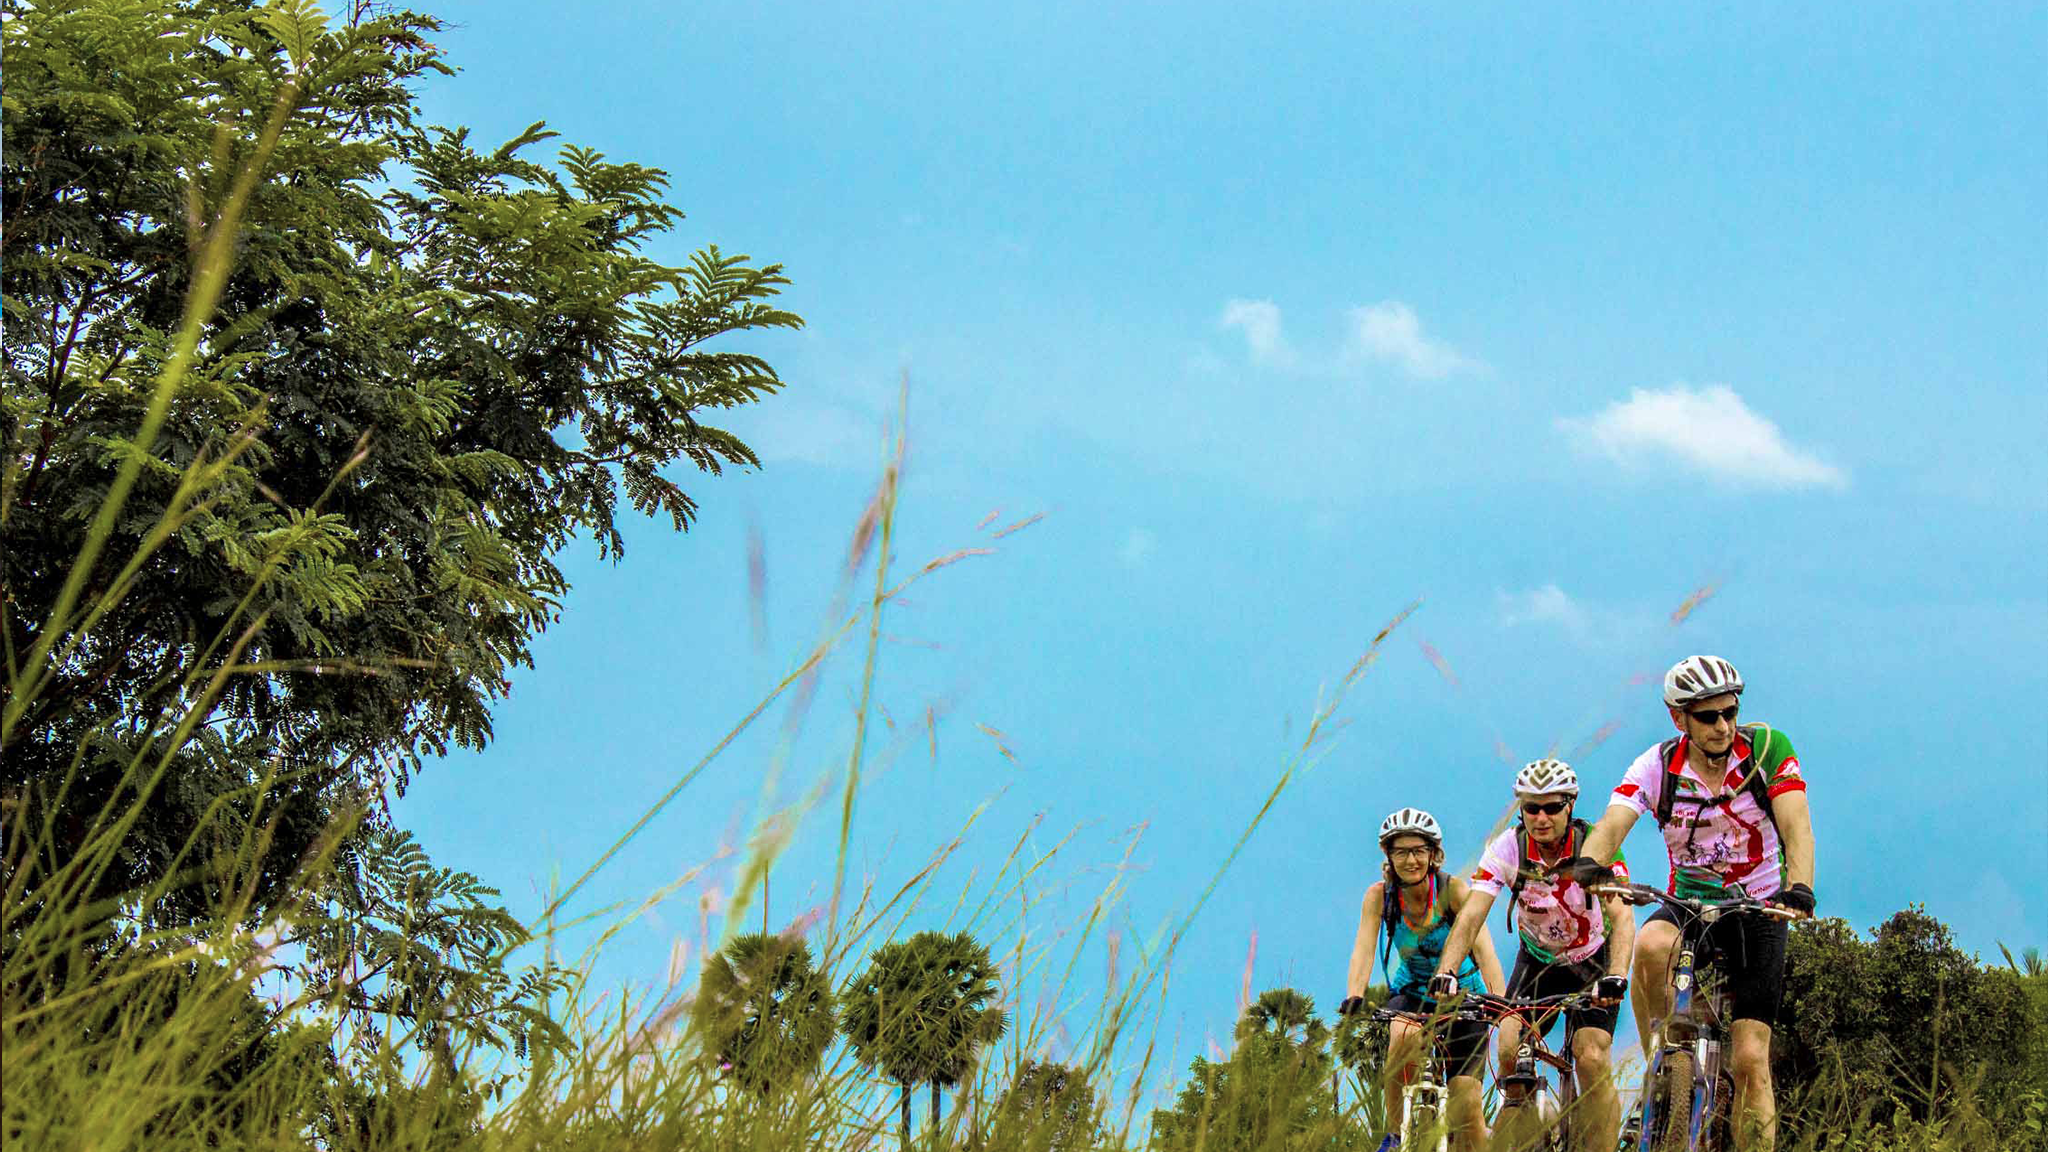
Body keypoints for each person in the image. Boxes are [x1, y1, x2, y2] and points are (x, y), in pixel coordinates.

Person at [1558, 655, 1817, 1151]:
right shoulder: (1657, 766)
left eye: (1730, 712)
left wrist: (1799, 887)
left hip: (1759, 906)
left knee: (1750, 1060)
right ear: (1680, 720)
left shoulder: (1767, 750)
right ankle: (1663, 1061)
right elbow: (1613, 822)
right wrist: (1591, 863)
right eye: (1708, 716)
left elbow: (1796, 825)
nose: (1723, 726)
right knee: (1652, 943)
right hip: (1690, 902)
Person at [1430, 759, 1634, 1152]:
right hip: (1538, 962)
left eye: (1552, 807)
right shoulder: (1507, 849)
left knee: (1590, 1056)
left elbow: (1622, 915)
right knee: (1508, 1049)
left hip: (1592, 960)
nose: (1541, 817)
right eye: (1531, 808)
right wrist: (1447, 970)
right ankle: (1520, 1126)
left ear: (1570, 806)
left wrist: (1617, 974)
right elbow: (1472, 914)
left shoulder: (1596, 844)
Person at [1341, 807, 1505, 1152]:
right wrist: (1354, 994)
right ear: (1389, 856)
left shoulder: (1454, 891)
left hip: (1465, 998)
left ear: (1433, 855)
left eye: (1418, 850)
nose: (1410, 860)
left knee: (1467, 1103)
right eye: (1401, 851)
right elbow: (1363, 948)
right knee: (1401, 1035)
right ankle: (1396, 1133)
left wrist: (1499, 1002)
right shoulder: (1380, 896)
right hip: (1413, 992)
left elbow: (1486, 952)